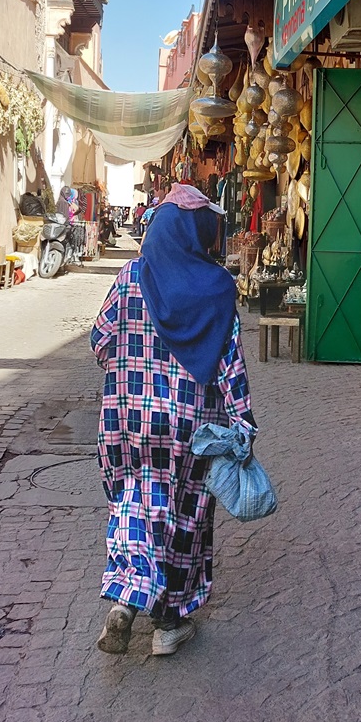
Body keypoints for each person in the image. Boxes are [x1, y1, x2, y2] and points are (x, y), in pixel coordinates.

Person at [90, 182, 256, 657]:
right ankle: (168, 624)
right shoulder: (217, 287)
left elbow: (99, 341)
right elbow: (230, 366)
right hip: (189, 429)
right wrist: (243, 426)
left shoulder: (130, 277)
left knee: (133, 503)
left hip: (125, 421)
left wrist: (132, 368)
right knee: (183, 518)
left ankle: (125, 600)